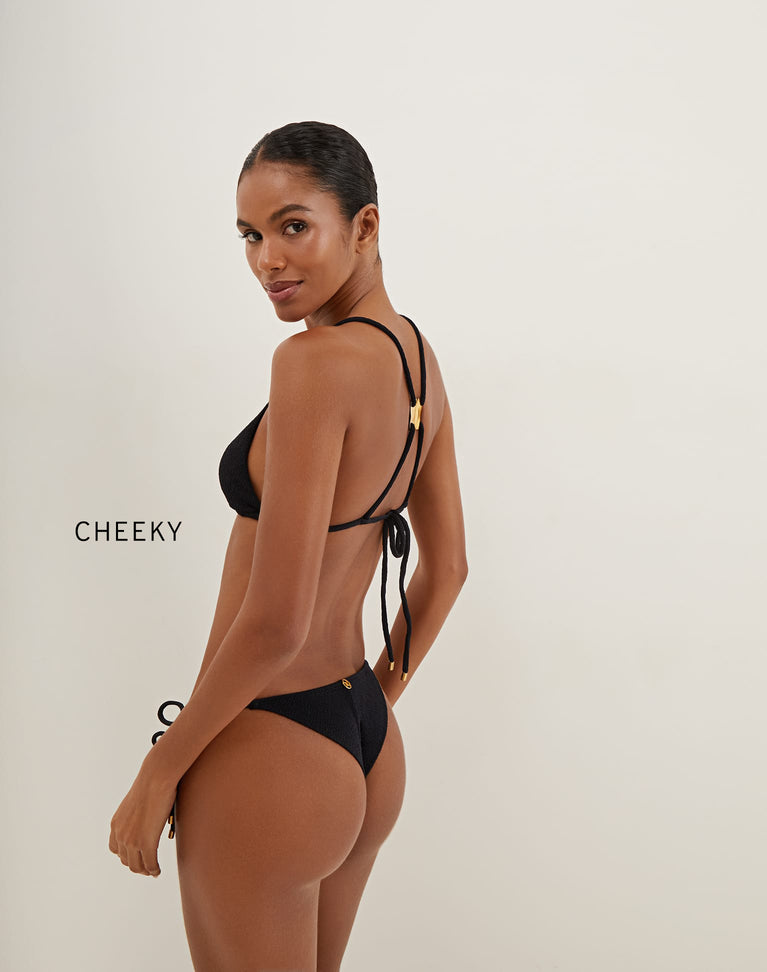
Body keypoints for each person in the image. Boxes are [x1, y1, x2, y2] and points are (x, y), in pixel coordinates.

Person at [109, 120, 468, 971]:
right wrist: (365, 708)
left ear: (364, 226)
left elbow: (276, 619)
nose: (267, 259)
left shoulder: (311, 364)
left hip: (270, 746)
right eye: (249, 235)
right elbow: (447, 569)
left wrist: (161, 770)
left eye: (293, 226)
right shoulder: (416, 358)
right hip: (361, 737)